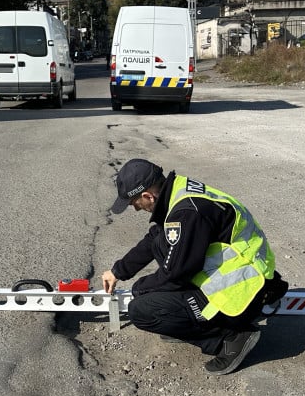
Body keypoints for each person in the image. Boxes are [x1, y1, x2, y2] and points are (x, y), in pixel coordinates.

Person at [102, 159, 288, 375]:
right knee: (160, 250)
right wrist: (118, 271)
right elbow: (155, 238)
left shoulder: (186, 214)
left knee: (143, 309)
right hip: (251, 273)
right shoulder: (177, 192)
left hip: (243, 287)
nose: (135, 209)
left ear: (147, 196)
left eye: (134, 204)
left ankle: (231, 338)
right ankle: (192, 319)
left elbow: (176, 274)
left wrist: (141, 288)